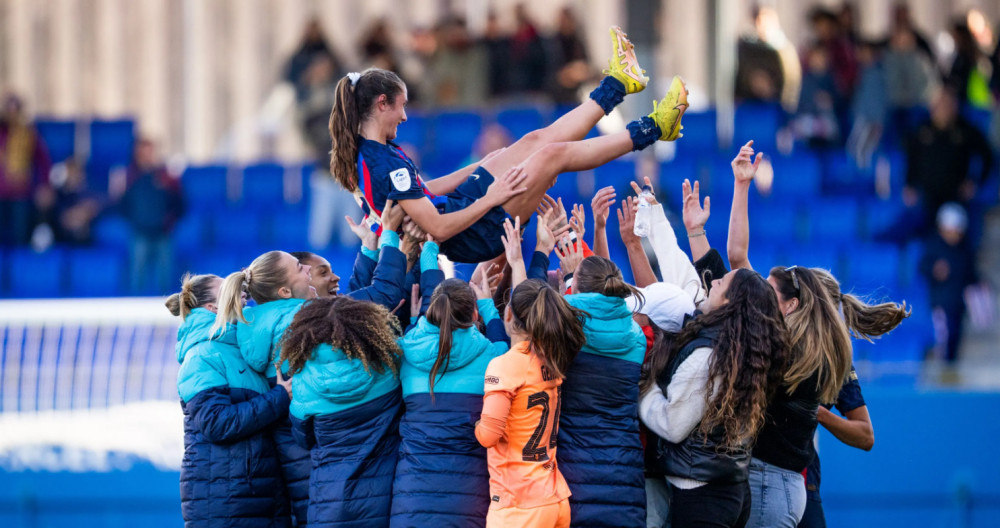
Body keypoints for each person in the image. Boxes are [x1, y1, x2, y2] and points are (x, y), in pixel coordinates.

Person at [328, 26, 689, 264]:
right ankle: (657, 127)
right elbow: (436, 228)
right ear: (381, 104)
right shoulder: (380, 162)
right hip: (474, 232)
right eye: (402, 107)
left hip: (464, 205)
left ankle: (618, 84)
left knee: (534, 140)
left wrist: (482, 165)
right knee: (552, 155)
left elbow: (423, 192)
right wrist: (491, 195)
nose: (405, 117)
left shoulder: (376, 151)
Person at [724, 141, 909, 528]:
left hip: (788, 478)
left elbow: (864, 434)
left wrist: (817, 411)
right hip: (789, 480)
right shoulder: (817, 350)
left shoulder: (817, 354)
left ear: (798, 304)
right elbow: (740, 261)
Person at [639, 267, 791, 528]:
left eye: (722, 282)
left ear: (729, 301)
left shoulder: (709, 355)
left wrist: (646, 388)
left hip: (701, 495)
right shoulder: (745, 352)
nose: (715, 281)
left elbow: (672, 425)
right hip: (732, 489)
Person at [168, 273, 293, 528]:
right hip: (225, 501)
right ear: (212, 308)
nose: (242, 292)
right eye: (227, 289)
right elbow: (217, 424)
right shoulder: (202, 354)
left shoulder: (244, 350)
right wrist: (280, 396)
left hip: (256, 495)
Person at [391, 273, 509, 527]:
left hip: (412, 495)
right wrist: (488, 304)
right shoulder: (493, 356)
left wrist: (414, 323)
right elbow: (503, 342)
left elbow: (416, 346)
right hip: (470, 495)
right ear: (474, 315)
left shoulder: (404, 352)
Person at [281, 295, 404, 527]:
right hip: (385, 498)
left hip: (329, 502)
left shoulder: (303, 382)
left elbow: (302, 438)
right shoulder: (389, 367)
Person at [554, 253, 648, 527]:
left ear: (578, 286)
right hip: (623, 472)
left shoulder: (563, 326)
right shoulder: (636, 337)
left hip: (572, 469)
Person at [119, 138, 184, 294]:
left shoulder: (167, 176)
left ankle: (166, 312)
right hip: (140, 232)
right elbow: (122, 204)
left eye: (150, 151)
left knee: (165, 277)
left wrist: (169, 220)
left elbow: (179, 202)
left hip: (163, 232)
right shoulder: (129, 177)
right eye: (144, 151)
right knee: (138, 275)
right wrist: (137, 220)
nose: (147, 156)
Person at [920, 203, 978, 364]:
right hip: (940, 303)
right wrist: (934, 270)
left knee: (956, 337)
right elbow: (922, 268)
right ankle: (943, 370)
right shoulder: (934, 246)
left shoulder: (964, 250)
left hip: (958, 304)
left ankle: (951, 369)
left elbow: (970, 274)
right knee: (944, 337)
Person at [0, 93, 51, 246]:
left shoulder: (28, 134)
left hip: (20, 192)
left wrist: (45, 185)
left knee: (20, 235)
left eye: (15, 110)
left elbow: (43, 161)